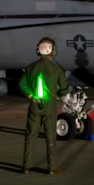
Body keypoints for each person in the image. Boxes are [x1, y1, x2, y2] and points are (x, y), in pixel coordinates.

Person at [18, 37, 69, 173]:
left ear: (38, 50)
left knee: (30, 137)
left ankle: (26, 166)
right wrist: (56, 94)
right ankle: (52, 168)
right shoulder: (56, 69)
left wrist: (31, 96)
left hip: (34, 106)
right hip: (50, 106)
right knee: (50, 138)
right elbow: (65, 88)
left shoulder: (31, 67)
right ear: (53, 51)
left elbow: (22, 84)